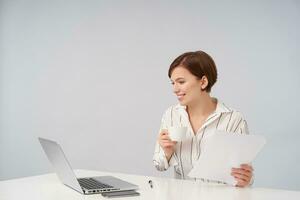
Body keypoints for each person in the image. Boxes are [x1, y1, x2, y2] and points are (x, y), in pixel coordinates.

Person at [153, 50, 253, 187]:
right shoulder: (171, 115)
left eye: (181, 82)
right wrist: (167, 152)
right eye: (172, 83)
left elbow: (243, 176)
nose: (175, 89)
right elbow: (159, 165)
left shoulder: (233, 120)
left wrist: (245, 178)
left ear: (203, 82)